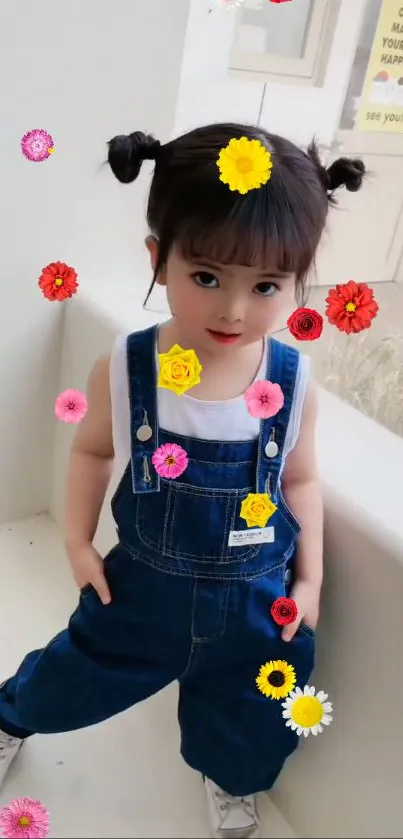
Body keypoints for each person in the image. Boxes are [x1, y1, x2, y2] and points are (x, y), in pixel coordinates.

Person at [0, 122, 364, 838]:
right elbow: (92, 453)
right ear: (157, 260)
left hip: (258, 606)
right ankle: (12, 713)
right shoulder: (130, 368)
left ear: (297, 281)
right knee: (74, 676)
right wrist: (77, 542)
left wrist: (310, 581)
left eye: (264, 285)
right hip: (140, 596)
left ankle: (231, 778)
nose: (232, 309)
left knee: (249, 715)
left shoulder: (291, 383)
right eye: (205, 277)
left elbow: (300, 482)